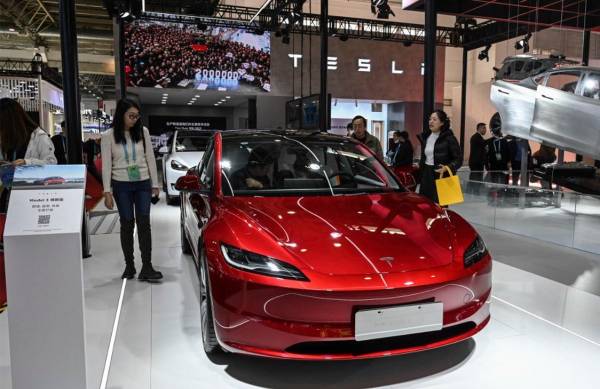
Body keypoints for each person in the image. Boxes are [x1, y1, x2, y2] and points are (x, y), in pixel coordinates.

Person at [101, 98, 162, 281]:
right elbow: (106, 165)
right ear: (121, 115)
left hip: (142, 183)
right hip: (121, 185)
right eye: (131, 116)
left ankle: (147, 267)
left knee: (144, 224)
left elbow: (150, 158)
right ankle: (129, 266)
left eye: (137, 116)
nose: (134, 119)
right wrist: (107, 191)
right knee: (127, 224)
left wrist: (155, 184)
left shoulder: (143, 132)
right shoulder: (108, 136)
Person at [0, 98, 57, 211]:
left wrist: (27, 163)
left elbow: (52, 164)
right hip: (6, 197)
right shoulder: (5, 138)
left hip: (31, 200)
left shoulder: (39, 137)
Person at [418, 110, 462, 203]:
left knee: (440, 206)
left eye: (434, 119)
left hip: (441, 175)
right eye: (430, 119)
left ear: (442, 123)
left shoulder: (449, 138)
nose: (431, 121)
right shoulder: (426, 137)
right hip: (427, 174)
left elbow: (458, 159)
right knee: (425, 203)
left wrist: (447, 167)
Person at [468, 123, 487, 194]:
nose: (485, 130)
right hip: (476, 163)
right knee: (475, 178)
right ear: (479, 128)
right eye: (484, 128)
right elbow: (484, 143)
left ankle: (475, 192)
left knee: (476, 178)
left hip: (477, 162)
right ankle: (474, 192)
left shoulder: (478, 137)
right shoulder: (476, 137)